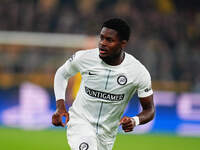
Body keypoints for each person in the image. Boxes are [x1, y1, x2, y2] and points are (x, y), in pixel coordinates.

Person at [52, 18, 155, 150]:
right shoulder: (85, 58)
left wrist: (135, 120)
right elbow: (62, 74)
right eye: (101, 38)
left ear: (123, 43)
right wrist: (60, 107)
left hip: (107, 134)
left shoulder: (138, 72)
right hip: (80, 122)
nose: (102, 43)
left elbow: (149, 110)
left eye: (109, 40)